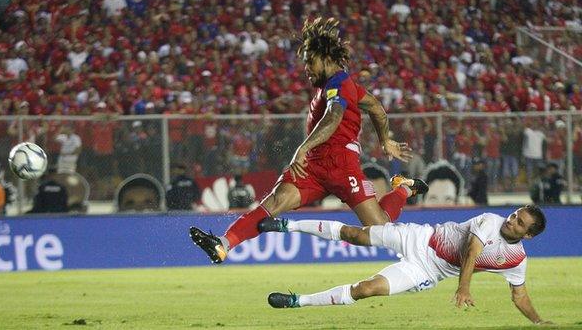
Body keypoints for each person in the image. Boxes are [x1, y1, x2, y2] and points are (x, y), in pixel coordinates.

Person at [190, 17, 427, 264]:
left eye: (309, 62)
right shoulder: (338, 87)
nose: (306, 69)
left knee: (380, 229)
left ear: (325, 58)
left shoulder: (340, 83)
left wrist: (304, 147)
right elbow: (376, 108)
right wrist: (384, 140)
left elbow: (334, 116)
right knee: (273, 203)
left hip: (341, 164)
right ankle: (223, 244)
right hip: (314, 166)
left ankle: (404, 188)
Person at [261, 204, 552, 325]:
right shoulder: (491, 221)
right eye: (515, 215)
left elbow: (520, 295)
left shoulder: (516, 260)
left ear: (527, 235)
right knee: (354, 234)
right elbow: (471, 253)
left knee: (366, 289)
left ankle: (298, 301)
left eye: (519, 223)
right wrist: (464, 288)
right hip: (419, 238)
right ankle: (287, 225)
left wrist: (538, 322)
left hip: (427, 271)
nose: (512, 220)